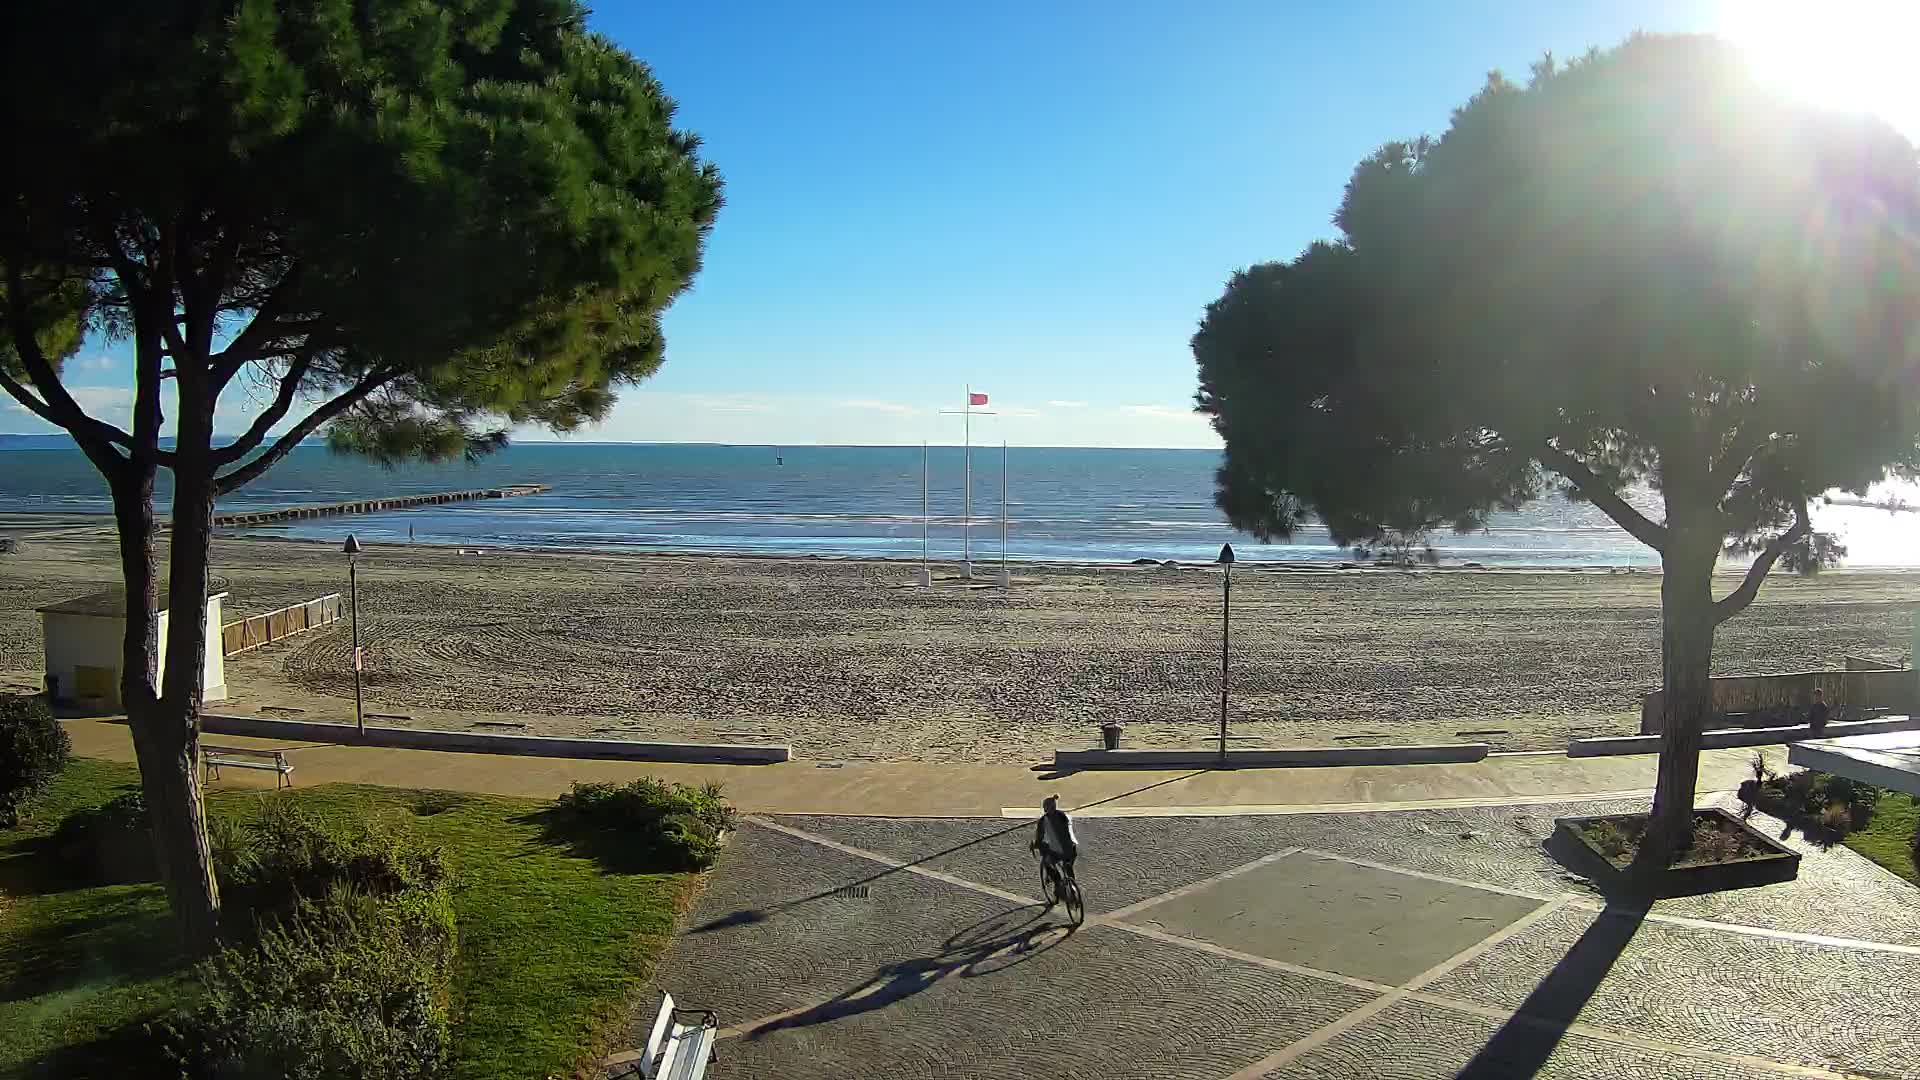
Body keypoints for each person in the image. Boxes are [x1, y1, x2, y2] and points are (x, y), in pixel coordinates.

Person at [1031, 795, 1079, 905]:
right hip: (1071, 849)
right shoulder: (1063, 816)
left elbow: (1040, 838)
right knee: (1068, 867)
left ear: (1045, 808)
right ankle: (1072, 887)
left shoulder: (1043, 821)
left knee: (1049, 863)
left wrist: (1035, 845)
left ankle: (1058, 889)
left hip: (1057, 851)